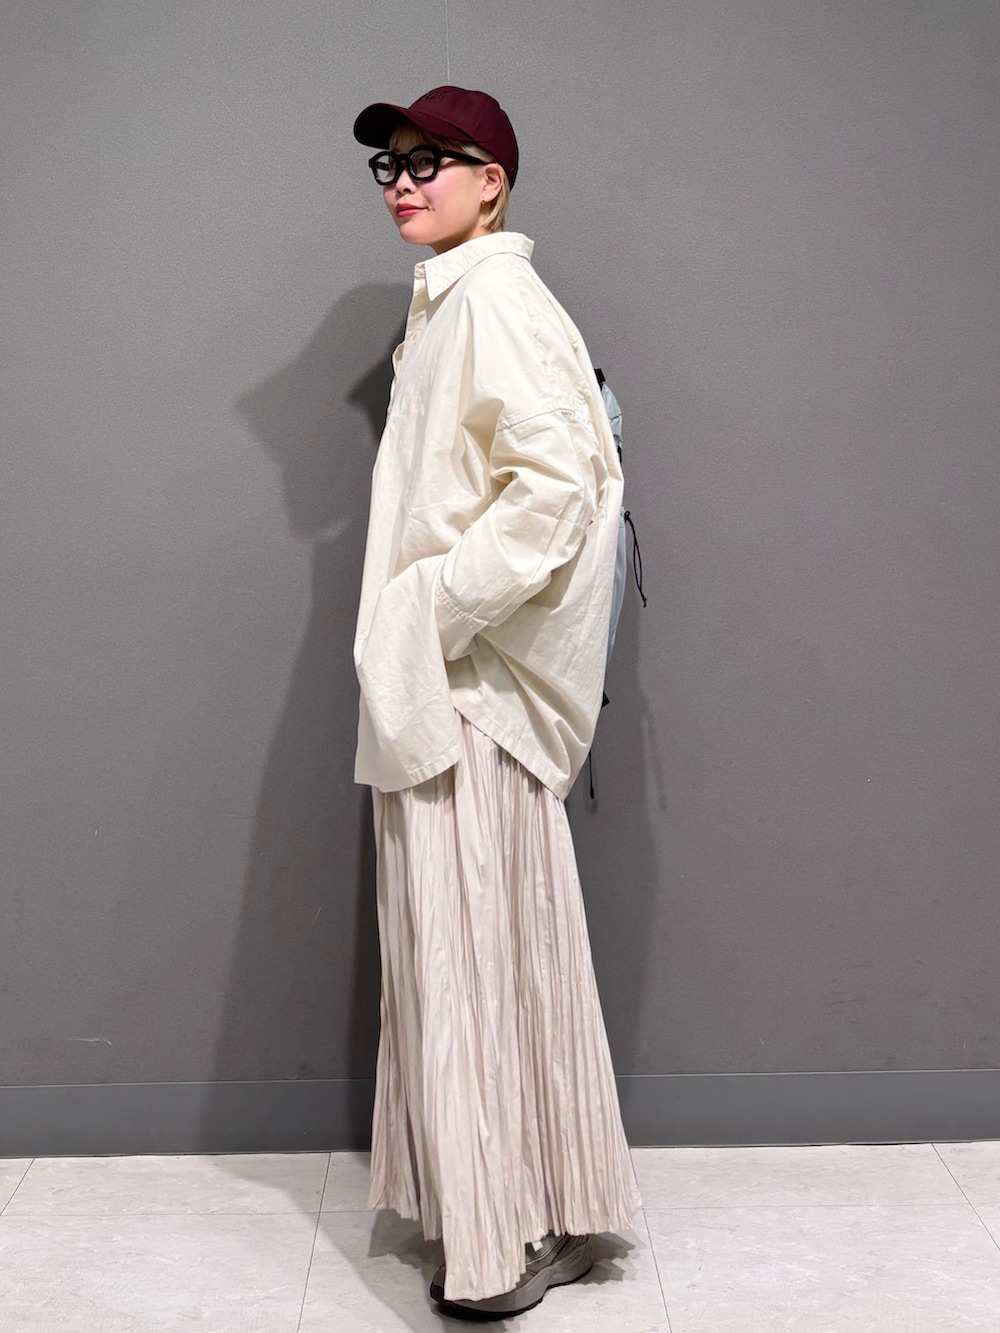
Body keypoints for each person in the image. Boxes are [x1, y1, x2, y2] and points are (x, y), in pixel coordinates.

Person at [351, 85, 640, 1319]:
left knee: (471, 966)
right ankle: (544, 1212)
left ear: (492, 181)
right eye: (392, 164)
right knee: (489, 959)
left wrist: (429, 615)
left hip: (470, 689)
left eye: (434, 159)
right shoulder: (453, 304)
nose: (406, 180)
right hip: (461, 687)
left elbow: (557, 485)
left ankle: (502, 1242)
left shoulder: (492, 301)